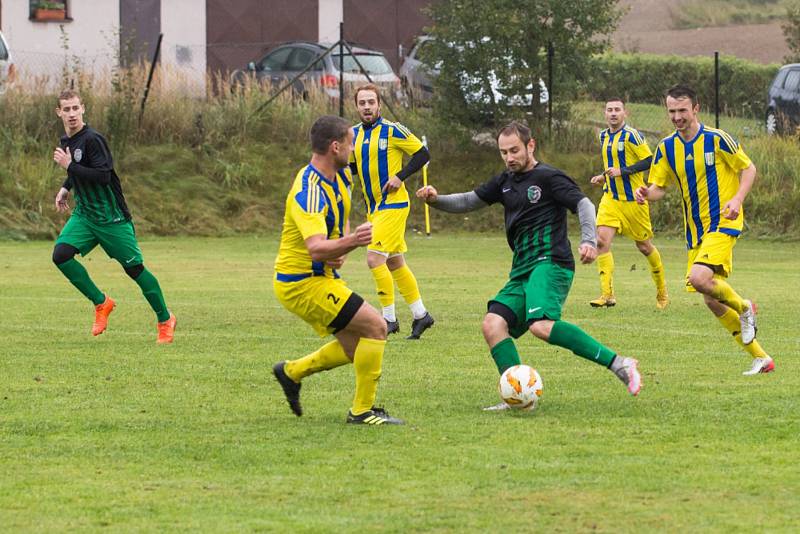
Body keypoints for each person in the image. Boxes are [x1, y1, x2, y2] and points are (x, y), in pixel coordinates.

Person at [416, 121, 642, 410]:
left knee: (541, 325)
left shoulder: (549, 177)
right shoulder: (505, 181)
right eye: (503, 152)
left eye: (514, 150)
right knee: (493, 324)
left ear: (530, 145)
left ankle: (619, 364)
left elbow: (584, 205)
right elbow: (468, 201)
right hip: (522, 269)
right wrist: (435, 200)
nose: (509, 157)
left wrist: (589, 240)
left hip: (550, 262)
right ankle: (518, 396)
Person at [272, 115, 404, 425]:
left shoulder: (342, 178)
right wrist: (353, 241)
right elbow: (316, 247)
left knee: (355, 345)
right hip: (301, 283)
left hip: (322, 277)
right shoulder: (309, 191)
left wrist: (341, 246)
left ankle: (291, 372)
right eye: (350, 143)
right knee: (376, 327)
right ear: (335, 147)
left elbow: (339, 222)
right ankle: (362, 412)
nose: (353, 149)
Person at [635, 85, 774, 376]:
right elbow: (660, 187)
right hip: (696, 231)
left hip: (723, 221)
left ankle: (745, 307)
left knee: (698, 278)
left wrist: (737, 199)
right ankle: (762, 359)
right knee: (712, 300)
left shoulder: (717, 139)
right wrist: (646, 193)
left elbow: (748, 169)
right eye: (671, 111)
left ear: (696, 108)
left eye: (682, 110)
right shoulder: (666, 147)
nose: (676, 117)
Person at [51, 90, 176, 344]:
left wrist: (69, 167)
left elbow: (103, 175)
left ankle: (165, 319)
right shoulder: (67, 140)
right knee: (61, 255)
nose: (72, 114)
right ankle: (102, 303)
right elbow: (79, 169)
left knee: (134, 270)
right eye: (67, 109)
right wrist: (66, 186)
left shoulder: (94, 139)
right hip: (85, 215)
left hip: (111, 218)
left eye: (76, 108)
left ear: (83, 109)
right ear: (59, 112)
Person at [350, 84, 434, 339]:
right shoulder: (352, 134)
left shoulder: (392, 130)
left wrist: (400, 176)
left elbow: (423, 154)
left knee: (374, 259)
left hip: (394, 204)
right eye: (362, 102)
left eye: (371, 102)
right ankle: (421, 315)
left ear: (379, 105)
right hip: (373, 208)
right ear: (356, 106)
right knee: (395, 262)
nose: (367, 107)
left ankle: (388, 320)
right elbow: (352, 168)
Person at [589, 98, 668, 309]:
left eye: (617, 110)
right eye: (609, 110)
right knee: (601, 242)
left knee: (643, 246)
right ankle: (607, 294)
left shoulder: (632, 136)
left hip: (634, 201)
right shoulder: (603, 135)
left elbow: (649, 160)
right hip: (611, 199)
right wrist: (604, 177)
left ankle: (662, 290)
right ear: (604, 114)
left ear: (625, 113)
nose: (613, 113)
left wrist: (622, 172)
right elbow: (612, 166)